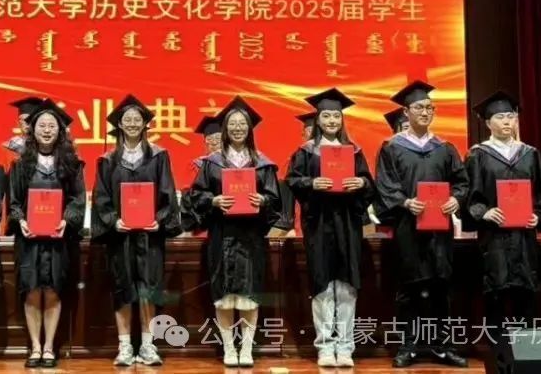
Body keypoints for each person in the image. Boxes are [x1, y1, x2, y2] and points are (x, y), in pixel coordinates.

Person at [374, 81, 468, 368]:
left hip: (440, 228)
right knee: (409, 287)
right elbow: (385, 185)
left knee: (441, 285)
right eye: (419, 107)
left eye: (429, 108)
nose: (425, 112)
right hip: (408, 227)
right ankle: (408, 346)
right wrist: (405, 202)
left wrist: (455, 199)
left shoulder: (445, 148)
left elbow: (462, 182)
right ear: (406, 112)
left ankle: (443, 346)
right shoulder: (392, 147)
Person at [183, 97, 281, 366]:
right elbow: (197, 195)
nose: (237, 128)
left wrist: (263, 200)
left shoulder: (262, 163)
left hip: (251, 237)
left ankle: (246, 348)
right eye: (232, 124)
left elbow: (275, 200)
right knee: (224, 296)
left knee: (249, 295)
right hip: (222, 234)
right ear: (225, 129)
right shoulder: (212, 163)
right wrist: (213, 201)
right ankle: (228, 347)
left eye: (242, 124)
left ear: (250, 129)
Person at [461, 91, 541, 372]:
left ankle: (526, 354)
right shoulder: (478, 155)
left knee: (526, 293)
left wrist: (538, 216)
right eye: (500, 117)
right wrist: (484, 213)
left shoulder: (530, 154)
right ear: (488, 123)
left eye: (511, 116)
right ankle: (498, 357)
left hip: (524, 237)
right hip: (494, 239)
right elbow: (469, 196)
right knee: (496, 294)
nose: (507, 121)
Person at [91, 95, 182, 366]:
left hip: (149, 236)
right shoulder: (108, 160)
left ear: (145, 124)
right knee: (122, 288)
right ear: (119, 124)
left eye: (137, 119)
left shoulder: (159, 156)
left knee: (148, 289)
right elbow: (101, 197)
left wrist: (159, 219)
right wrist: (112, 220)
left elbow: (167, 192)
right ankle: (125, 346)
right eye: (127, 119)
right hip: (120, 236)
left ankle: (147, 345)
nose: (132, 123)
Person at [286, 88, 374, 368]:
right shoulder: (305, 152)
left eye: (336, 115)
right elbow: (292, 181)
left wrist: (361, 183)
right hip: (319, 224)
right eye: (326, 116)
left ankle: (345, 346)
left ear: (342, 119)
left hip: (347, 224)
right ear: (318, 119)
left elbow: (369, 184)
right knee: (323, 286)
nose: (332, 120)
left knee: (346, 287)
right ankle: (325, 346)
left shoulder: (354, 151)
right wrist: (312, 183)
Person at [9, 99, 86, 368]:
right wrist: (20, 221)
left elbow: (77, 199)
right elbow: (14, 202)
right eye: (41, 125)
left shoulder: (71, 164)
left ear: (60, 131)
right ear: (32, 129)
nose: (46, 130)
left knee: (53, 290)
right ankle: (35, 347)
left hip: (58, 238)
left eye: (52, 126)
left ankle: (50, 347)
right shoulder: (21, 164)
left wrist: (67, 220)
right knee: (31, 291)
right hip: (29, 238)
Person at [0, 97, 43, 239]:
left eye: (31, 119)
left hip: (43, 212)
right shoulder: (6, 149)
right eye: (22, 120)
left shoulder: (49, 150)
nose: (26, 123)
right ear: (18, 122)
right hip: (14, 216)